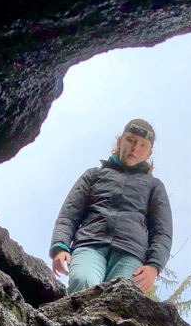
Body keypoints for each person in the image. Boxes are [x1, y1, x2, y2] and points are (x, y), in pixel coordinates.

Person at [49, 119, 173, 296]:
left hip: (131, 253)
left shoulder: (154, 186)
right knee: (83, 282)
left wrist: (154, 266)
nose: (135, 148)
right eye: (130, 140)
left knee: (122, 297)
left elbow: (162, 231)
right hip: (90, 244)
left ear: (149, 153)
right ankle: (79, 325)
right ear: (119, 141)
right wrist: (60, 247)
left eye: (142, 145)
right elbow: (69, 214)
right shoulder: (93, 175)